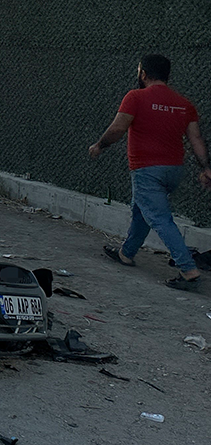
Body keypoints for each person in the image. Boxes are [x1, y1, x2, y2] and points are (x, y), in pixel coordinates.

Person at [90, 54, 210, 290]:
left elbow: (118, 128)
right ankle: (126, 253)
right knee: (142, 210)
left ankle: (188, 269)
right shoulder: (184, 104)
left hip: (147, 169)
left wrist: (99, 145)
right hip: (174, 170)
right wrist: (206, 167)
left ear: (143, 73)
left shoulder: (135, 97)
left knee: (159, 218)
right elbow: (195, 139)